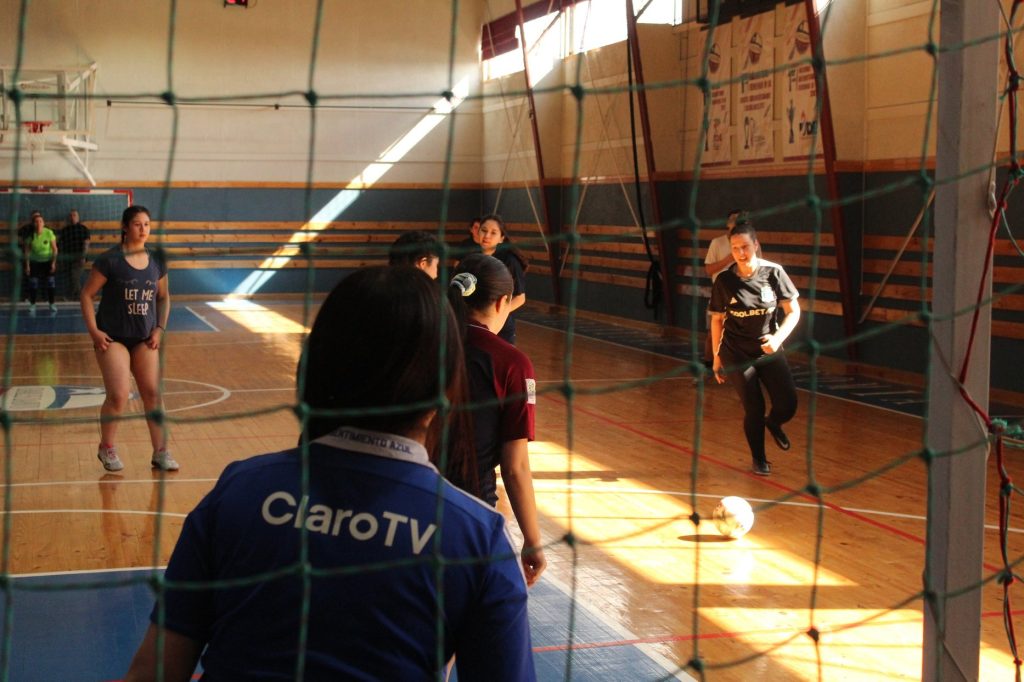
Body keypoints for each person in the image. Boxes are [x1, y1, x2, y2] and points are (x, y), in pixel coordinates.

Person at [124, 266, 535, 682]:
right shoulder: (477, 538)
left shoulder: (238, 491)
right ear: (446, 390)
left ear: (314, 368)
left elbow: (152, 673)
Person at [447, 254, 546, 587]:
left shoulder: (425, 341)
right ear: (505, 301)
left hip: (407, 502)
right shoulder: (512, 363)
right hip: (470, 511)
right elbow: (515, 466)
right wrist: (532, 540)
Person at [80, 206, 175, 473]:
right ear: (124, 227)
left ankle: (161, 452)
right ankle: (106, 447)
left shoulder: (157, 260)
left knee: (153, 394)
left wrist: (160, 329)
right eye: (137, 224)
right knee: (119, 395)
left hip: (145, 338)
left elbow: (164, 297)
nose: (143, 229)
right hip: (113, 338)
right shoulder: (110, 260)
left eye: (147, 224)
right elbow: (86, 295)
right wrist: (94, 331)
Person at [709, 220, 800, 476]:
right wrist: (717, 358)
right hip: (735, 352)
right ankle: (759, 459)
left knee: (788, 403)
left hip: (768, 347)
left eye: (745, 246)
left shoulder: (774, 273)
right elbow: (716, 319)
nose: (741, 252)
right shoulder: (725, 280)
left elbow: (793, 311)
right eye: (735, 248)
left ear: (756, 245)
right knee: (754, 407)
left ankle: (775, 423)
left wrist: (777, 339)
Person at [704, 209, 756, 366]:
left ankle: (749, 366)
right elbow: (708, 270)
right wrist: (727, 260)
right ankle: (708, 364)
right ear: (728, 223)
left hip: (746, 293)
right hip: (722, 294)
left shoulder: (752, 243)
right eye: (735, 218)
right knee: (714, 332)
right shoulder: (717, 243)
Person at [477, 214, 527, 344]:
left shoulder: (510, 261)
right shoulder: (473, 258)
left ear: (501, 238)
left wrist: (495, 314)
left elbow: (520, 298)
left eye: (493, 233)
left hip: (501, 325)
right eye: (484, 230)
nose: (487, 235)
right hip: (476, 323)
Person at [23, 212, 59, 315]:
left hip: (48, 262)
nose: (38, 223)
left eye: (40, 221)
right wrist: (28, 266)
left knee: (50, 282)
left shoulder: (49, 233)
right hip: (35, 263)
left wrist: (53, 263)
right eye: (36, 221)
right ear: (34, 224)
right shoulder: (30, 236)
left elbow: (55, 249)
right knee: (33, 283)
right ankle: (32, 304)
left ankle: (52, 303)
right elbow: (27, 252)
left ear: (43, 223)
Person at [59, 208, 91, 300]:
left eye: (74, 215)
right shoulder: (65, 230)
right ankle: (76, 297)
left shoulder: (83, 229)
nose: (72, 217)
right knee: (70, 278)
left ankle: (80, 297)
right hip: (68, 259)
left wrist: (83, 257)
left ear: (78, 217)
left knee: (74, 277)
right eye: (71, 215)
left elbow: (86, 243)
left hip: (79, 258)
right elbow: (61, 245)